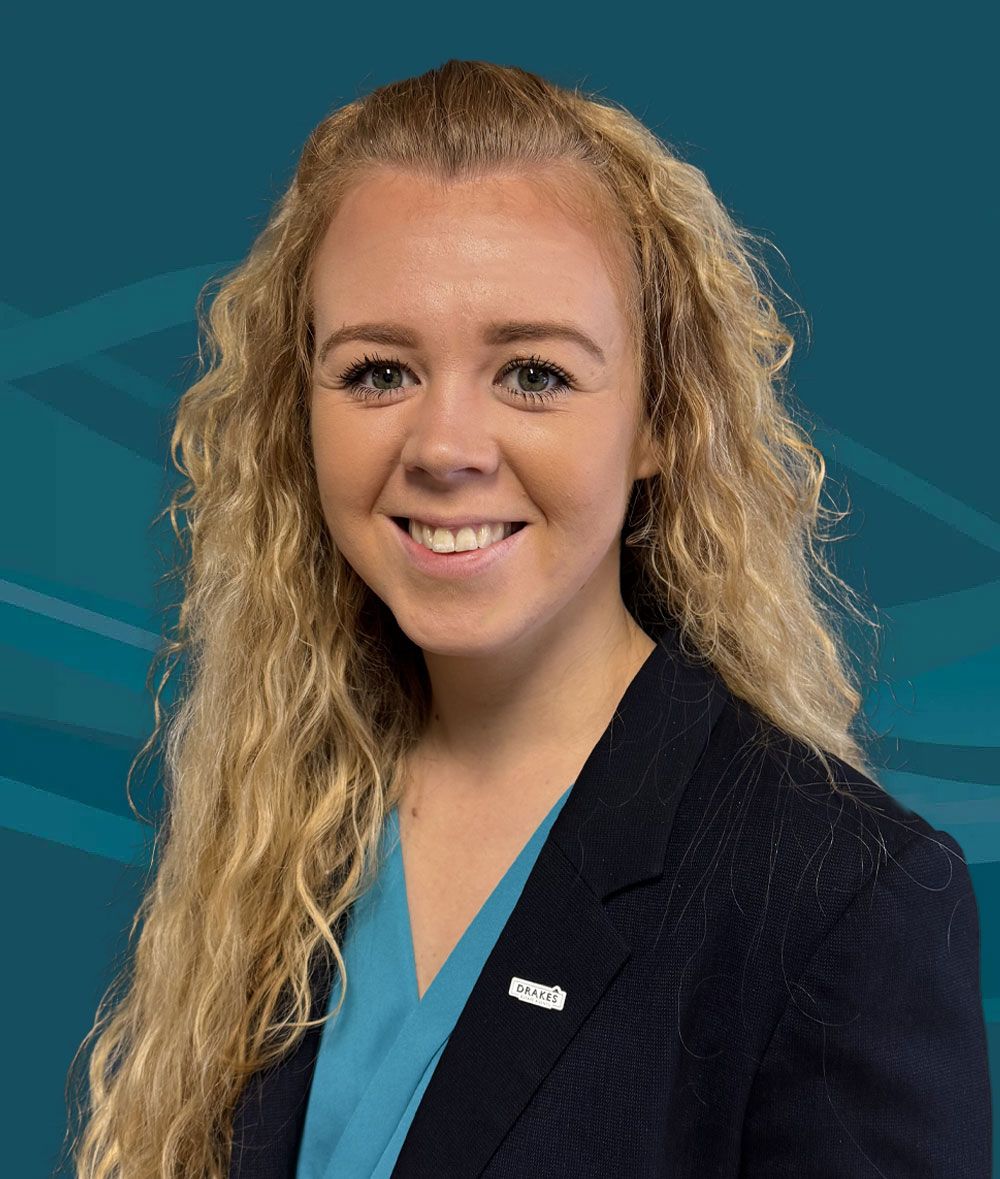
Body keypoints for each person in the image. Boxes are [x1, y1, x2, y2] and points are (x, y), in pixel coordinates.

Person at [70, 60, 992, 1177]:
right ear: (295, 413)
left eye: (535, 375)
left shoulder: (838, 897)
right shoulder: (274, 821)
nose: (445, 446)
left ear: (660, 420)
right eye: (378, 372)